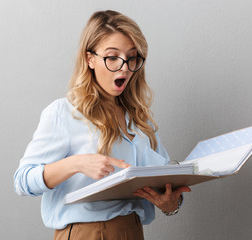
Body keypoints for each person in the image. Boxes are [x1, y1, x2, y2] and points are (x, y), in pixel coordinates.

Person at [14, 10, 191, 240]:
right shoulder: (64, 113)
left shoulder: (140, 120)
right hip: (85, 233)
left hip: (133, 231)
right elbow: (22, 181)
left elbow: (166, 178)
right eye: (112, 57)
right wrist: (77, 163)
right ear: (90, 59)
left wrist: (170, 203)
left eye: (132, 58)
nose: (124, 67)